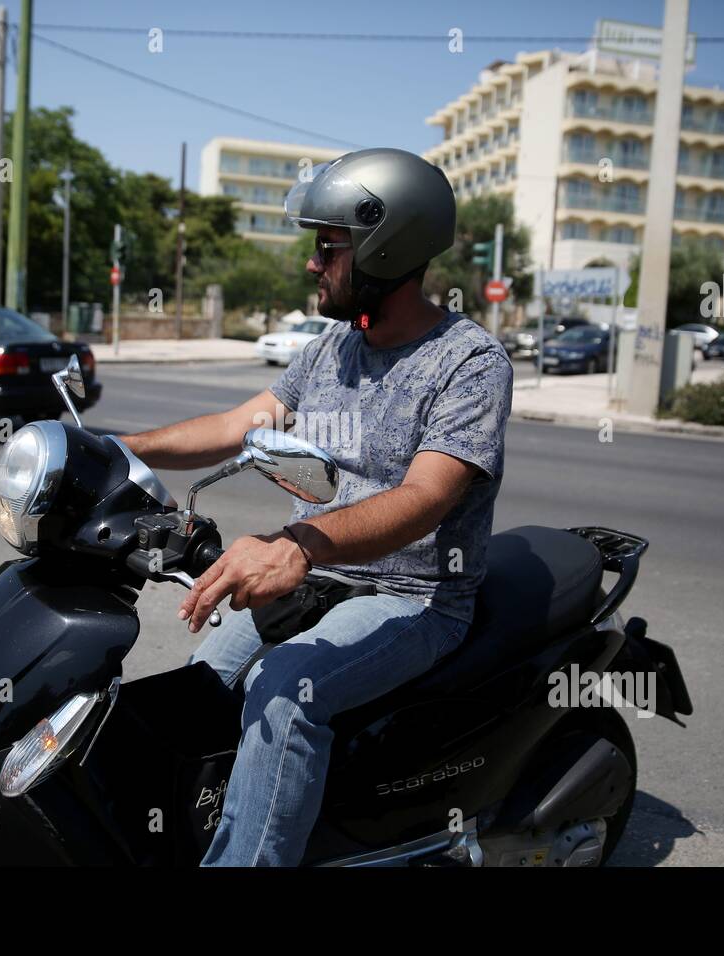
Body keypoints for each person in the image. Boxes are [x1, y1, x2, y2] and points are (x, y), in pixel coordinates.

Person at [118, 147, 513, 866]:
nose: (312, 264)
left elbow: (426, 499)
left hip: (415, 596)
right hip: (330, 573)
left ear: (384, 247)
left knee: (285, 688)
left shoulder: (469, 363)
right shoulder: (335, 346)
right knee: (201, 685)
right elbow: (242, 424)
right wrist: (119, 448)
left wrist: (299, 544)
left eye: (328, 247)